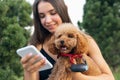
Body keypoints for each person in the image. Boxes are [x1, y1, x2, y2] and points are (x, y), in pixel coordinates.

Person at [20, 0, 115, 80]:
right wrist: (29, 70)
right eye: (42, 16)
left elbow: (109, 77)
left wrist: (79, 77)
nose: (47, 20)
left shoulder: (87, 41)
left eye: (53, 13)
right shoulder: (36, 46)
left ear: (62, 11)